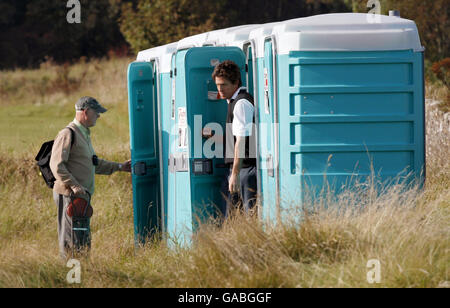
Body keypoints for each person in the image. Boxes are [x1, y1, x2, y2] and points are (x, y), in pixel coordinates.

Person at [50, 96, 131, 259]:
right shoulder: (68, 133)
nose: (99, 116)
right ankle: (71, 279)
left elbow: (94, 163)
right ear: (86, 112)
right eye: (97, 112)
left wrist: (120, 167)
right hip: (70, 197)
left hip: (81, 198)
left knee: (82, 241)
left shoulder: (84, 135)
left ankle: (81, 277)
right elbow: (56, 165)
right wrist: (74, 185)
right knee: (71, 241)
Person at [212, 60, 257, 219]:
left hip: (246, 170)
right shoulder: (234, 102)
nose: (219, 89)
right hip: (240, 169)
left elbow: (242, 140)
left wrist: (235, 174)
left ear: (236, 82)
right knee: (232, 217)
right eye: (217, 85)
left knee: (248, 217)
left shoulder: (241, 103)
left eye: (223, 85)